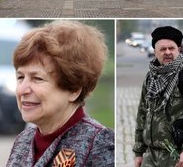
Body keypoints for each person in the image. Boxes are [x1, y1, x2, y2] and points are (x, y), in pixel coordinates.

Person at [7, 21, 114, 166]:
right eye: (20, 77)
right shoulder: (23, 140)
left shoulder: (100, 145)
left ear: (74, 89)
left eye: (37, 78)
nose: (22, 90)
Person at [133, 26, 183, 167]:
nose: (167, 52)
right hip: (151, 154)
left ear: (178, 50)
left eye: (171, 48)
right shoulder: (151, 77)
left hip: (178, 155)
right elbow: (142, 114)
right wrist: (138, 152)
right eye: (162, 49)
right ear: (155, 52)